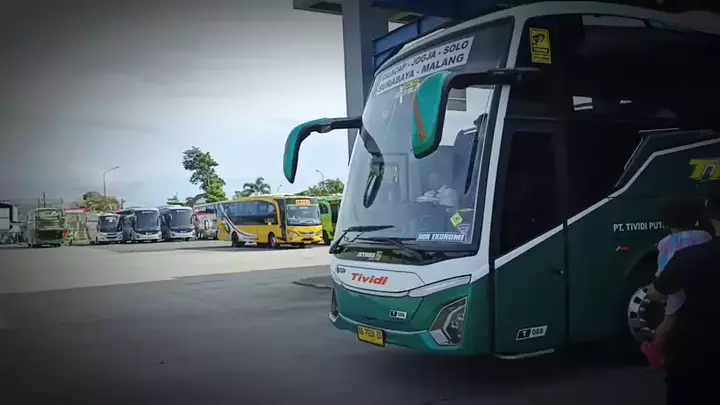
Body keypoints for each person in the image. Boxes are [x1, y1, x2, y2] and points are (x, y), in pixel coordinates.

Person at [647, 189, 720, 404]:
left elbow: (658, 290)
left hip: (695, 348)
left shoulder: (685, 255)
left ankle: (657, 349)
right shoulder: (703, 239)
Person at [640, 196, 712, 369]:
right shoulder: (705, 236)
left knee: (668, 322)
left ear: (666, 222)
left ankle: (656, 352)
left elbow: (664, 273)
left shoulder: (666, 243)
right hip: (701, 291)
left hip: (676, 291)